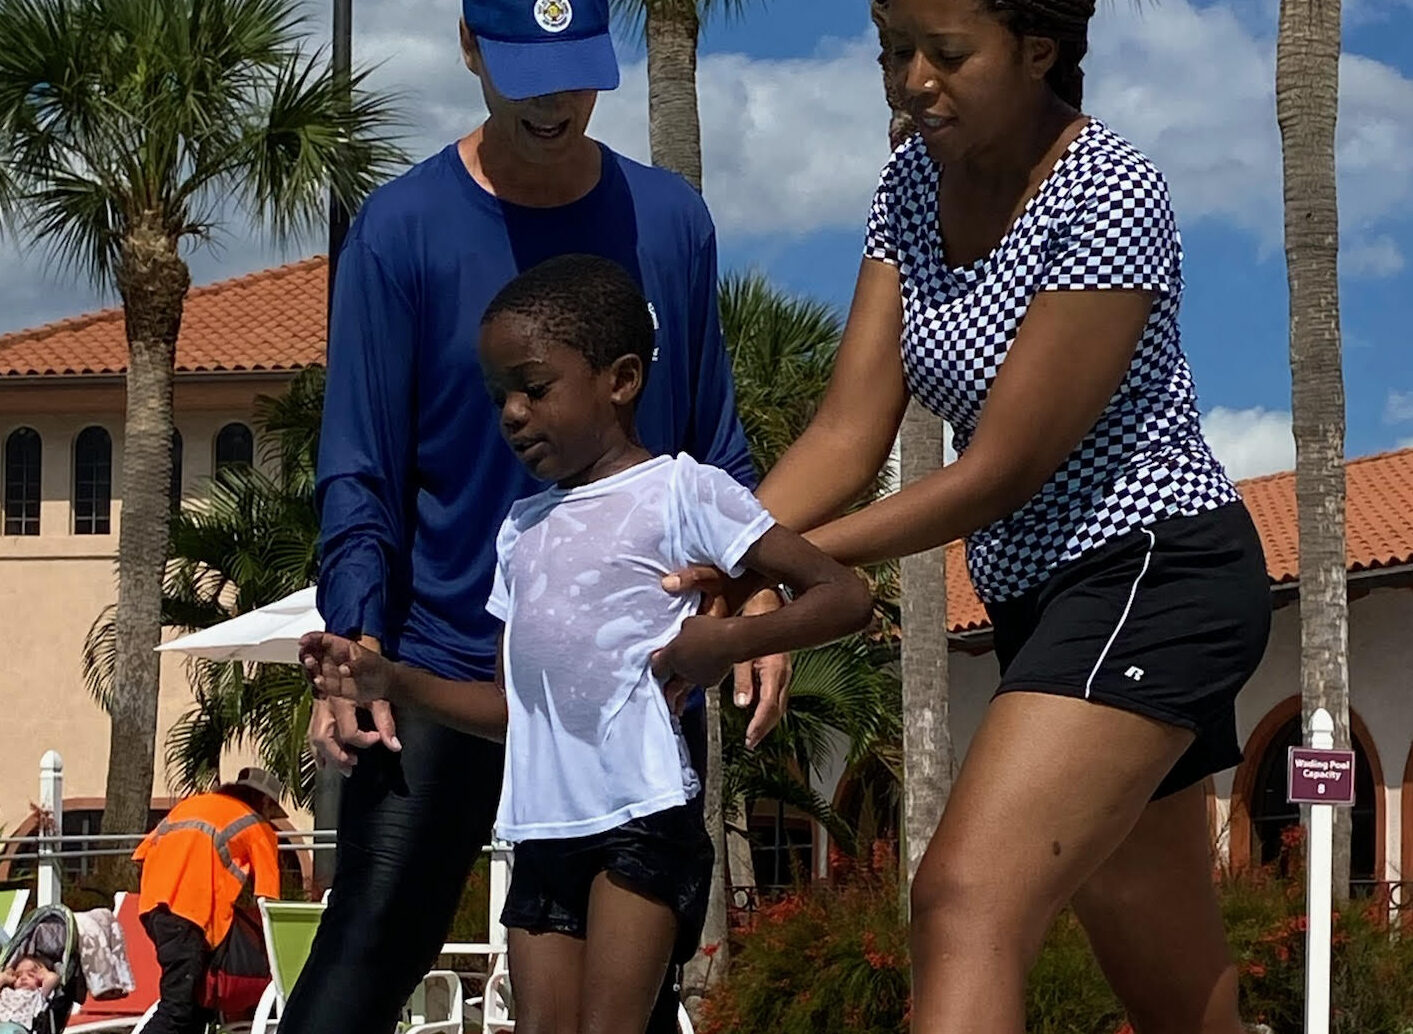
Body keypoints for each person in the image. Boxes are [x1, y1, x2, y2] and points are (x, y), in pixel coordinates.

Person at [667, 0, 1273, 1029]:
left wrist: (782, 562)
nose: (912, 80)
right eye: (894, 52)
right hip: (1047, 603)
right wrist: (724, 552)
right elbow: (848, 432)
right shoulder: (910, 183)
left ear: (1037, 51)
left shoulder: (1110, 189)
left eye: (946, 54)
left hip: (1151, 575)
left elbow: (1003, 468)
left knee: (963, 898)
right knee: (1173, 982)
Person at [291, 1, 791, 1031]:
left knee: (629, 1011)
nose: (554, 98)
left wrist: (753, 587)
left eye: (574, 67)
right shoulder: (399, 232)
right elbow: (360, 475)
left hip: (622, 693)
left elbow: (712, 445)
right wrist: (355, 640)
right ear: (469, 48)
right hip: (440, 672)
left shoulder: (670, 221)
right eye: (523, 66)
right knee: (348, 988)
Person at [300, 254, 874, 1034]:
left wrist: (724, 640)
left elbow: (845, 596)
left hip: (640, 817)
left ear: (622, 379)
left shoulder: (682, 492)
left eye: (533, 388)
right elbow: (511, 714)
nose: (510, 412)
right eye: (498, 394)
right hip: (542, 829)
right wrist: (390, 679)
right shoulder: (520, 532)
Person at [131, 768, 284, 1034]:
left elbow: (142, 853)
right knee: (177, 1010)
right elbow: (269, 901)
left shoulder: (191, 806)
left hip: (154, 908)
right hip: (191, 916)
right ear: (266, 802)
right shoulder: (256, 824)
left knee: (195, 1006)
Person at [0, 954, 61, 1034]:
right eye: (18, 975)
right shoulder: (6, 991)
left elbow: (53, 978)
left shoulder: (38, 994)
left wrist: (44, 972)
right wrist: (4, 978)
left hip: (18, 1029)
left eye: (30, 975)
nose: (23, 978)